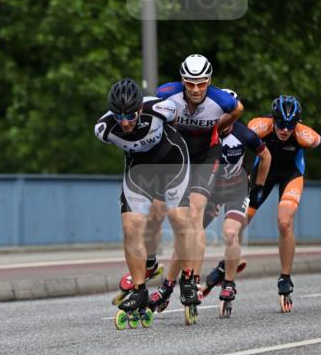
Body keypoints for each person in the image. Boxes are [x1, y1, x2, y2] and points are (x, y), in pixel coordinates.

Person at [147, 55, 244, 314]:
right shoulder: (166, 93)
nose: (196, 89)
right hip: (178, 156)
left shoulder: (221, 100)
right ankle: (155, 270)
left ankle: (192, 279)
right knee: (160, 213)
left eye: (201, 83)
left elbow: (238, 110)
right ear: (182, 80)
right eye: (190, 83)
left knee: (195, 216)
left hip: (206, 156)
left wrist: (219, 127)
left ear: (209, 81)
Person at [94, 78, 193, 326]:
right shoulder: (104, 129)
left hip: (173, 162)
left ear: (139, 109)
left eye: (130, 115)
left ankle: (189, 277)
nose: (124, 122)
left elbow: (178, 122)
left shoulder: (161, 108)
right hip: (139, 170)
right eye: (118, 116)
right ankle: (139, 291)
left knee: (179, 219)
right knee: (131, 227)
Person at [246, 95, 320, 310]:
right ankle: (226, 267)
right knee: (240, 222)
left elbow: (316, 139)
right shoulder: (259, 127)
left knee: (285, 222)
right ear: (273, 119)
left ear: (298, 122)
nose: (285, 130)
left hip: (291, 175)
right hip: (264, 174)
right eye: (280, 124)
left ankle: (285, 278)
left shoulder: (307, 137)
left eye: (291, 125)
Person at [201, 90, 271, 314]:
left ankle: (229, 283)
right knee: (191, 231)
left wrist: (258, 186)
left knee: (231, 233)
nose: (224, 118)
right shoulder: (203, 133)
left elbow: (266, 156)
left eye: (228, 113)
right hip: (211, 190)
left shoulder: (245, 134)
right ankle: (187, 279)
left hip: (236, 189)